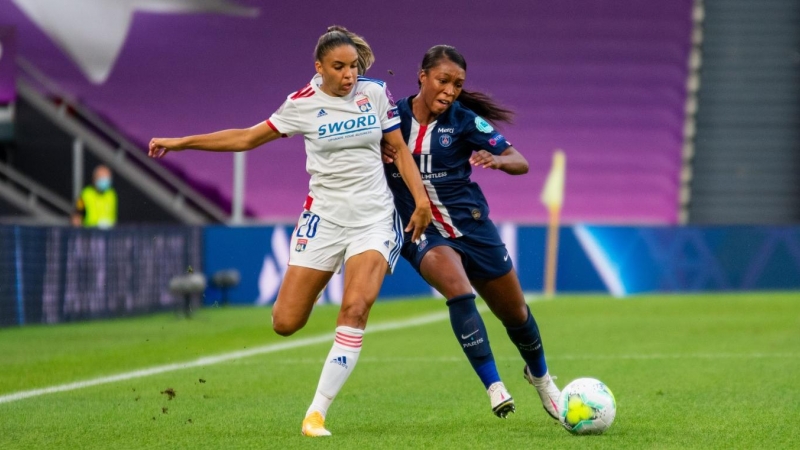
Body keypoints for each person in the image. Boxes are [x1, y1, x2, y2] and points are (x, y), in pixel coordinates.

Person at [148, 26, 431, 437]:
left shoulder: (374, 93)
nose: (349, 75)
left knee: (354, 309)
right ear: (319, 68)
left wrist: (420, 200)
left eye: (353, 66)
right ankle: (319, 279)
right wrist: (182, 142)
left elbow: (400, 150)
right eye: (339, 67)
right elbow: (246, 137)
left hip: (373, 217)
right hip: (324, 220)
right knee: (285, 322)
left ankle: (315, 413)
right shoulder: (301, 104)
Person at [382, 45, 561, 421]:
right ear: (423, 76)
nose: (450, 90)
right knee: (459, 291)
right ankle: (494, 385)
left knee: (516, 315)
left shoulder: (464, 121)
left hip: (473, 226)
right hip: (422, 230)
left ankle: (541, 379)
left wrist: (496, 160)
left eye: (458, 84)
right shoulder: (390, 117)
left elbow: (521, 161)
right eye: (443, 81)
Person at [71, 164, 117, 228]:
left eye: (107, 178)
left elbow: (113, 218)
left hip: (108, 234)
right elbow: (77, 216)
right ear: (95, 178)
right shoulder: (86, 194)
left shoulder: (111, 194)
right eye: (102, 178)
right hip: (89, 233)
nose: (105, 181)